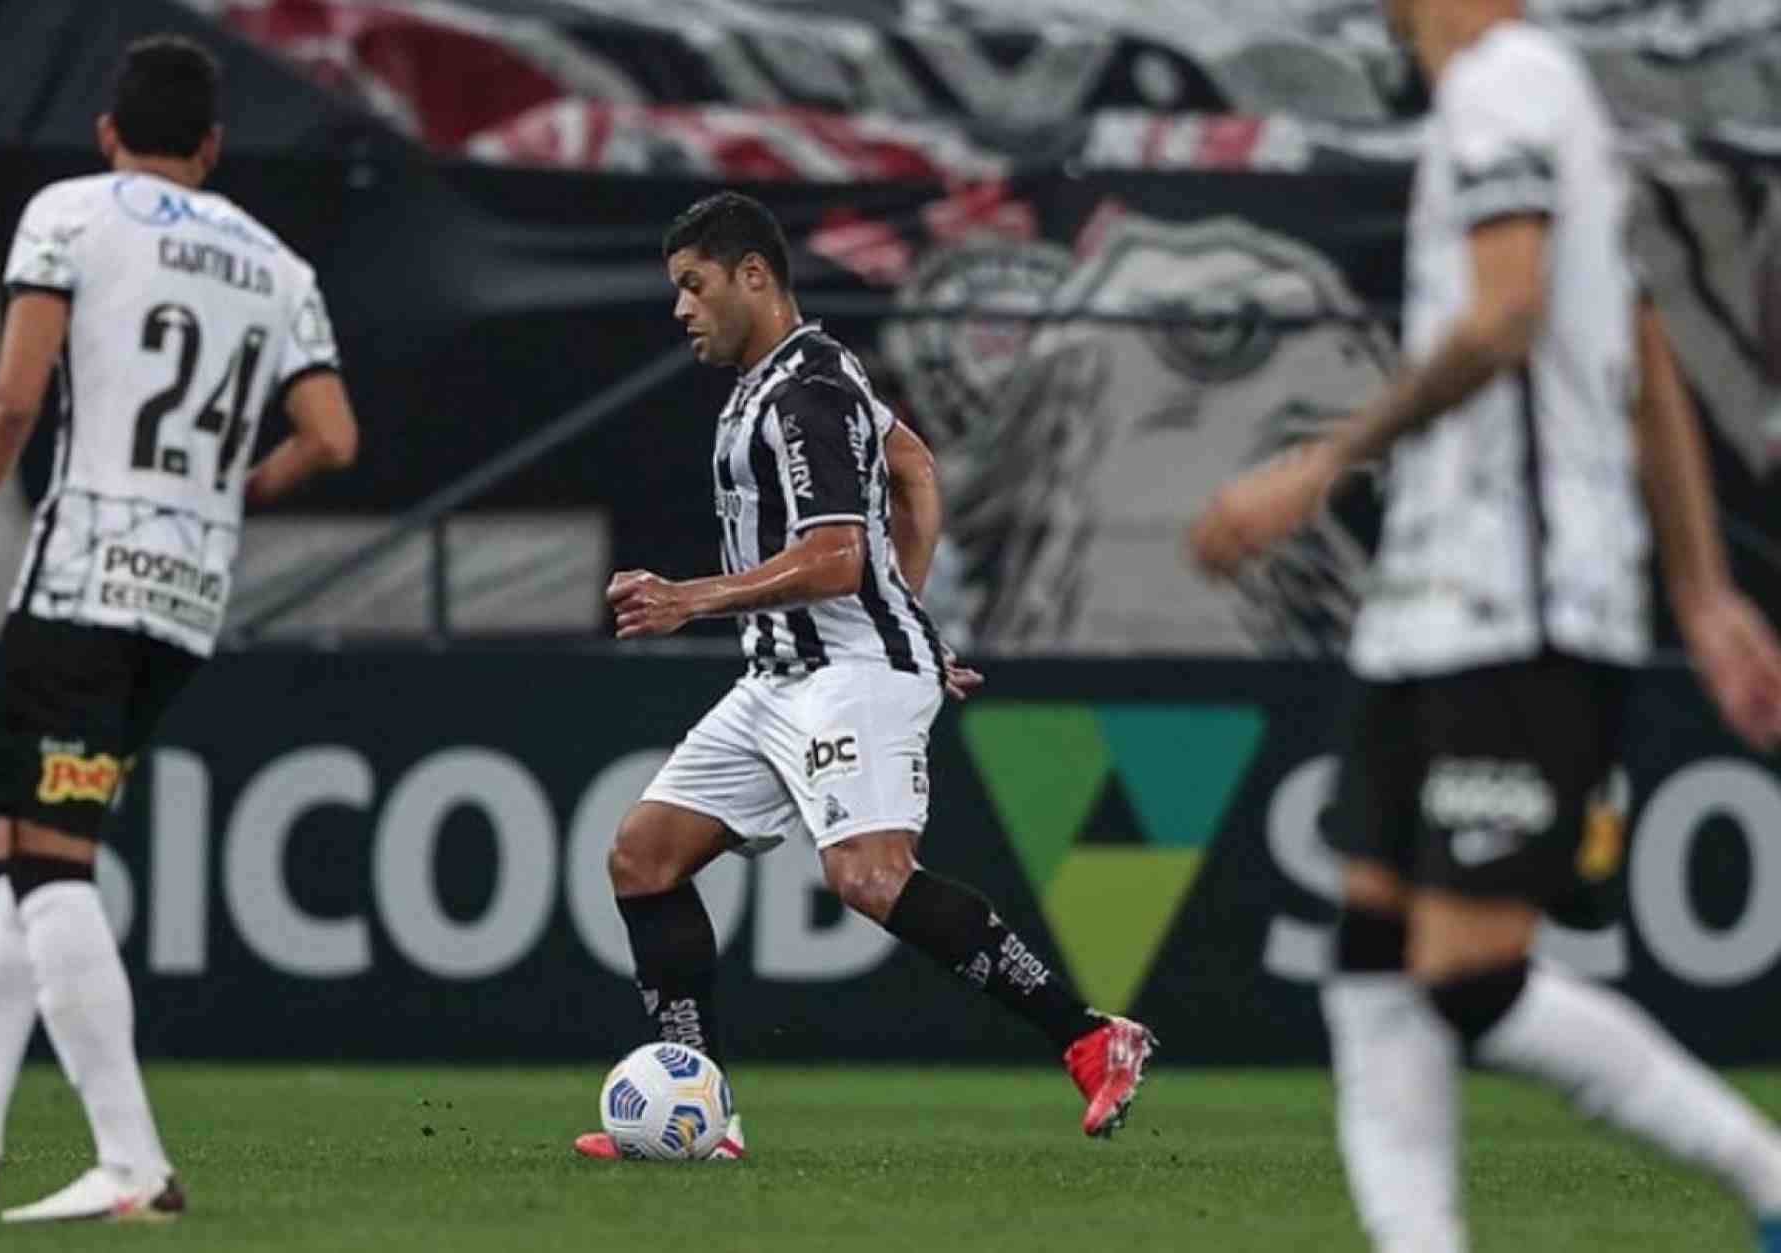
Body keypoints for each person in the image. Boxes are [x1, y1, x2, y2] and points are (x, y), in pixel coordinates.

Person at [1189, 2, 1781, 1250]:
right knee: (1370, 945)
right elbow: (1634, 336)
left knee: (1468, 974)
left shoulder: (1504, 86)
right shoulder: (1528, 94)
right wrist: (1702, 588)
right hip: (1429, 608)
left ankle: (1767, 1174)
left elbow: (1507, 313)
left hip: (1515, 601)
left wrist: (1319, 463)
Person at [573, 191, 1152, 1160]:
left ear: (751, 275)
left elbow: (838, 556)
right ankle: (708, 1116)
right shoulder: (804, 373)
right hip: (784, 674)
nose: (680, 309)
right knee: (643, 856)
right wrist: (907, 610)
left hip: (843, 670)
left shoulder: (803, 393)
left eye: (692, 285)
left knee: (868, 875)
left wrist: (695, 599)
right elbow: (914, 466)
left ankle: (1091, 1035)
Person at [0, 35, 357, 1223]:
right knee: (23, 847)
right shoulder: (278, 265)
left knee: (46, 862)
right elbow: (334, 437)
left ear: (109, 132)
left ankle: (133, 1161)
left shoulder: (71, 212)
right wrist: (235, 488)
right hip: (186, 601)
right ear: (210, 147)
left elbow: (12, 398)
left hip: (85, 579)